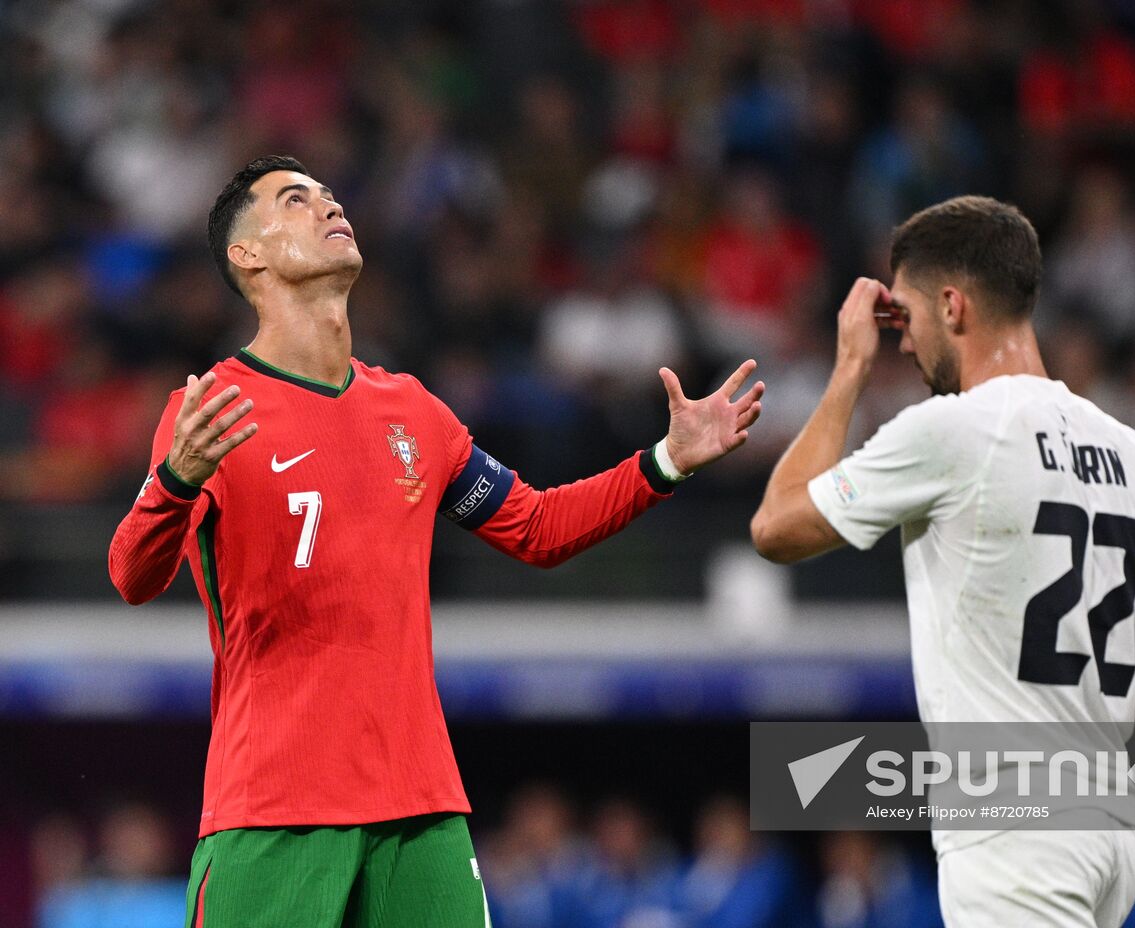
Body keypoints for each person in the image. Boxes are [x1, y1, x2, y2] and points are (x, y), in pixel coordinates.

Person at [107, 155, 763, 927]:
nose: (329, 205)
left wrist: (666, 461)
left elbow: (538, 527)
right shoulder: (212, 409)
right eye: (295, 199)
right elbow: (133, 577)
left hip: (421, 811)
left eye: (330, 193)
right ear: (246, 255)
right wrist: (176, 480)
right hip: (273, 806)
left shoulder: (410, 410)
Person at [749, 195, 1135, 926]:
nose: (905, 346)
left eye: (907, 320)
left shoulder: (951, 432)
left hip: (1014, 826)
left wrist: (850, 366)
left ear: (953, 307)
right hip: (1111, 829)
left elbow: (777, 526)